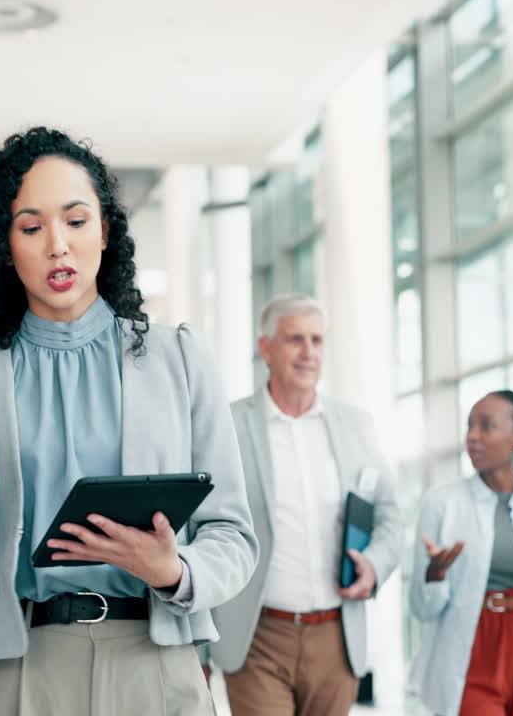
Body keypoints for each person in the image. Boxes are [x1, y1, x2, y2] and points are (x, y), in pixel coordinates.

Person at [0, 127, 258, 716]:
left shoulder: (180, 360)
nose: (57, 246)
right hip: (24, 667)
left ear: (106, 231)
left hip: (156, 664)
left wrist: (174, 569)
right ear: (5, 247)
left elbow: (234, 538)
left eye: (76, 221)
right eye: (31, 228)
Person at [207, 293, 403, 716]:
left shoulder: (356, 425)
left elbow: (389, 516)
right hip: (256, 635)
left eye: (317, 340)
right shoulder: (228, 425)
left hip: (337, 636)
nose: (308, 352)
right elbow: (203, 525)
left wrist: (376, 563)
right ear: (266, 348)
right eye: (295, 339)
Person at [409, 390, 513, 716]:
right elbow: (422, 609)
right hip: (472, 647)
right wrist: (435, 575)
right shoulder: (442, 503)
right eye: (469, 426)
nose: (472, 436)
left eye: (486, 426)